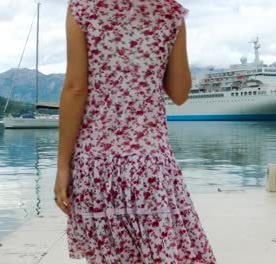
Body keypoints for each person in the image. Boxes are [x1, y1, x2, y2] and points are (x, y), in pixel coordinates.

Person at [54, 0, 217, 263]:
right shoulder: (169, 11)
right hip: (149, 165)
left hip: (96, 165)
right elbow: (180, 93)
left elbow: (76, 89)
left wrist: (63, 166)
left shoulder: (83, 8)